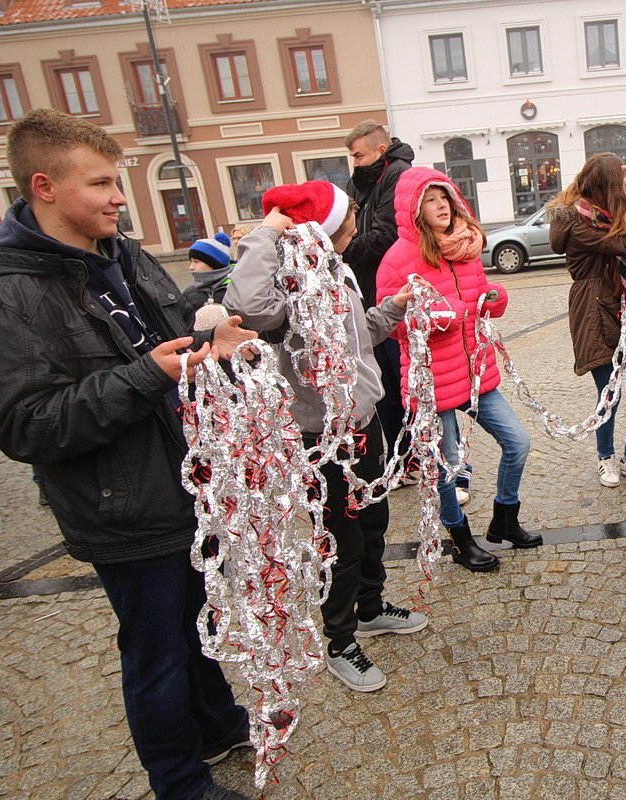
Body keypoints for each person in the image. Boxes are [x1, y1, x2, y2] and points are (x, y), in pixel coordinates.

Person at [0, 109, 255, 800]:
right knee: (154, 654)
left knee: (199, 624)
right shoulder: (8, 297)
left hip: (187, 481)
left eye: (117, 181)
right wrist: (146, 375)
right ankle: (180, 784)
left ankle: (218, 723)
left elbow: (170, 332)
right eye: (101, 183)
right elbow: (25, 426)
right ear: (45, 187)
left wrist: (210, 337)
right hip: (123, 506)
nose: (120, 198)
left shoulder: (121, 254)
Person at [225, 180, 428, 693]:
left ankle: (369, 606)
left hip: (364, 421)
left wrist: (398, 305)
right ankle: (340, 641)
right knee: (340, 536)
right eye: (351, 216)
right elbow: (248, 304)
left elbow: (361, 336)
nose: (358, 224)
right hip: (321, 433)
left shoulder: (335, 273)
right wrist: (264, 232)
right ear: (329, 226)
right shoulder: (291, 286)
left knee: (376, 519)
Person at [377, 167, 540, 572]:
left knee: (518, 443)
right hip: (431, 381)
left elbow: (478, 301)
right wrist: (431, 319)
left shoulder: (464, 248)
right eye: (431, 200)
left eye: (445, 198)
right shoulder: (398, 259)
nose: (441, 207)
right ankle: (460, 535)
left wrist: (493, 298)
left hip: (476, 373)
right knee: (446, 465)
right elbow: (389, 324)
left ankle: (504, 518)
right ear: (415, 210)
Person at [548, 154, 626, 488]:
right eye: (619, 184)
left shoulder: (611, 216)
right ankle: (606, 459)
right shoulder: (578, 222)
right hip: (594, 311)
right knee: (609, 392)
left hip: (623, 309)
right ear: (607, 185)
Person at [342, 120, 417, 475]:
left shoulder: (399, 176)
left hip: (392, 295)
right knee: (382, 384)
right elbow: (352, 225)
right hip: (368, 295)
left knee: (401, 386)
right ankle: (399, 459)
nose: (354, 162)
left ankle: (413, 457)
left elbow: (385, 236)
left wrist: (341, 248)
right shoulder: (361, 183)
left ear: (379, 150)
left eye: (358, 155)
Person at [182, 231, 233, 321]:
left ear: (215, 263)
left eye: (196, 261)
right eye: (191, 262)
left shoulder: (235, 289)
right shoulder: (189, 293)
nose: (191, 267)